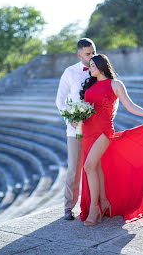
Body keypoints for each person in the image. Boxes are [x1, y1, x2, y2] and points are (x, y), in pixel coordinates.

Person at [79, 54, 143, 226]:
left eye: (94, 65)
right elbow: (87, 108)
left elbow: (130, 105)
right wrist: (77, 117)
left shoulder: (115, 84)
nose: (91, 68)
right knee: (96, 167)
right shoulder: (91, 84)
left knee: (89, 166)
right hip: (88, 131)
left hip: (103, 132)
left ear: (103, 66)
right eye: (90, 65)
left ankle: (94, 208)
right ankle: (104, 202)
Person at [56, 38, 96, 220]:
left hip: (96, 128)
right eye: (88, 54)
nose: (91, 56)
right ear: (79, 55)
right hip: (76, 130)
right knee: (74, 168)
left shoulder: (99, 69)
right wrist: (71, 118)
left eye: (93, 52)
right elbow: (60, 100)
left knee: (96, 167)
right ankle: (68, 207)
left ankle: (94, 205)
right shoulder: (70, 73)